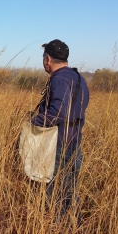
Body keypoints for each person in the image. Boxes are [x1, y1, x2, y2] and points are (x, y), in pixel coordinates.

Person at [30, 39, 90, 225]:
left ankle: (58, 226)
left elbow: (59, 112)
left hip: (57, 144)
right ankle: (74, 225)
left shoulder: (59, 79)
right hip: (74, 142)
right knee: (69, 191)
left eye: (43, 58)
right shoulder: (78, 78)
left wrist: (32, 121)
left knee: (54, 192)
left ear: (48, 59)